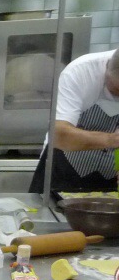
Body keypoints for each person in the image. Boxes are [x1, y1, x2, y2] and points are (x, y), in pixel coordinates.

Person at [29, 48, 119, 193]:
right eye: (115, 90)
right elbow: (59, 134)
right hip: (64, 168)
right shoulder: (81, 72)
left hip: (112, 176)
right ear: (107, 67)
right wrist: (111, 140)